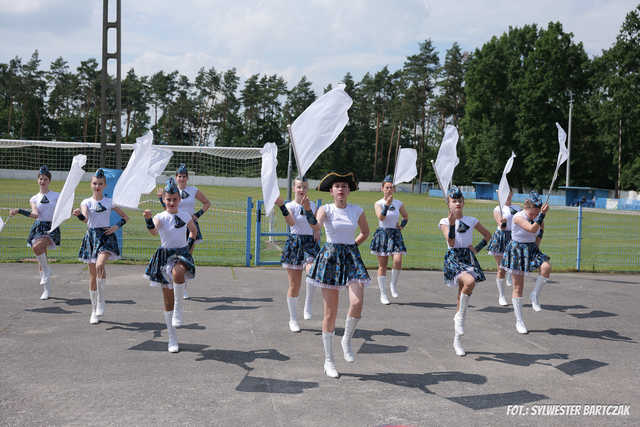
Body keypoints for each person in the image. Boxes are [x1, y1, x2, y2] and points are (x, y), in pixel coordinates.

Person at [306, 172, 370, 378]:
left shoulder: (357, 210)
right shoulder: (326, 209)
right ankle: (329, 360)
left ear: (349, 190)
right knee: (330, 313)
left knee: (357, 302)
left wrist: (352, 246)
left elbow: (365, 232)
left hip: (350, 257)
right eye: (337, 186)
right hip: (331, 258)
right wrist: (308, 211)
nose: (341, 189)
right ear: (332, 191)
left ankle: (346, 339)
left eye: (344, 186)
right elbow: (315, 226)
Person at [144, 178, 197, 353]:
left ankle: (179, 311)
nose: (172, 202)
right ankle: (172, 337)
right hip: (164, 255)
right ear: (164, 200)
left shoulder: (185, 215)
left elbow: (193, 231)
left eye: (175, 199)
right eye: (169, 199)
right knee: (167, 300)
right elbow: (153, 232)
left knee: (178, 273)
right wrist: (148, 219)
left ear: (179, 200)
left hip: (181, 253)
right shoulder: (161, 217)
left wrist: (189, 246)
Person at [438, 186, 491, 356]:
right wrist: (452, 224)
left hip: (468, 258)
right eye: (454, 201)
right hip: (454, 258)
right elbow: (451, 243)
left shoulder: (472, 220)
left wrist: (476, 249)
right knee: (470, 281)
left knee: (462, 297)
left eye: (460, 200)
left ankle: (457, 340)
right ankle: (459, 319)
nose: (458, 203)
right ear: (449, 204)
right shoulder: (444, 222)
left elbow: (488, 236)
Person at [73, 169, 129, 324]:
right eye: (94, 183)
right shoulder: (86, 202)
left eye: (100, 183)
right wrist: (78, 215)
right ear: (91, 185)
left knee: (100, 264)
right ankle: (93, 310)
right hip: (91, 237)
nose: (97, 186)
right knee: (92, 276)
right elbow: (85, 219)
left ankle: (101, 300)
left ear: (104, 185)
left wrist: (115, 227)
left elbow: (125, 217)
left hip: (105, 237)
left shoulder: (109, 201)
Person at [274, 177, 321, 332]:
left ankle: (308, 305)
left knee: (313, 273)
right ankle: (293, 319)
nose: (302, 190)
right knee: (295, 285)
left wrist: (308, 211)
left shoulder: (313, 205)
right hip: (295, 243)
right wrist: (281, 206)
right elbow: (292, 223)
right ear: (294, 188)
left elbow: (314, 224)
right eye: (299, 187)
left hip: (310, 243)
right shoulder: (290, 205)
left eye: (305, 187)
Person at [158, 163, 210, 300]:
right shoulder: (171, 191)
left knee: (186, 258)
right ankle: (173, 284)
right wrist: (160, 198)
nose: (181, 179)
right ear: (176, 177)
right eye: (179, 176)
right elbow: (167, 207)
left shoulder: (193, 190)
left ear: (187, 178)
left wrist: (197, 215)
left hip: (190, 227)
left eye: (184, 176)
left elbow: (207, 203)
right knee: (172, 257)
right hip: (175, 227)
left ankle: (183, 289)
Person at [501, 191, 551, 334]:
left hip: (532, 248)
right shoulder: (518, 217)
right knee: (518, 287)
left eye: (536, 214)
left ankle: (534, 295)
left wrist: (536, 249)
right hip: (517, 249)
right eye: (532, 214)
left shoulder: (537, 217)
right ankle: (519, 321)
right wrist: (542, 215)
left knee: (546, 267)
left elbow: (539, 233)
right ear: (526, 208)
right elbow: (532, 228)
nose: (534, 216)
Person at [9, 165, 60, 300]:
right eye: (40, 179)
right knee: (40, 257)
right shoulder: (34, 198)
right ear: (38, 180)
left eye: (45, 179)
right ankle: (46, 290)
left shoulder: (56, 195)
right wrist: (20, 211)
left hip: (52, 227)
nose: (42, 181)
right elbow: (35, 215)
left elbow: (62, 210)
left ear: (49, 181)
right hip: (39, 227)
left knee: (37, 248)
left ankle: (47, 272)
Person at [370, 175, 408, 305]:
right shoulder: (378, 203)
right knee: (383, 265)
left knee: (397, 260)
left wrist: (401, 226)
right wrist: (386, 205)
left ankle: (393, 285)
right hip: (383, 234)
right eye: (387, 187)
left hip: (395, 234)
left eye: (391, 187)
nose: (389, 190)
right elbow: (381, 217)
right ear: (382, 189)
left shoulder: (398, 203)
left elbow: (405, 217)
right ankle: (383, 293)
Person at [487, 189, 520, 305]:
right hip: (501, 237)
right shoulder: (498, 208)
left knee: (513, 265)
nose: (507, 196)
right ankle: (501, 296)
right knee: (501, 268)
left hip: (514, 237)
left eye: (509, 193)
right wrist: (503, 222)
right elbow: (501, 226)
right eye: (505, 194)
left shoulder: (518, 208)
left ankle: (509, 275)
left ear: (512, 194)